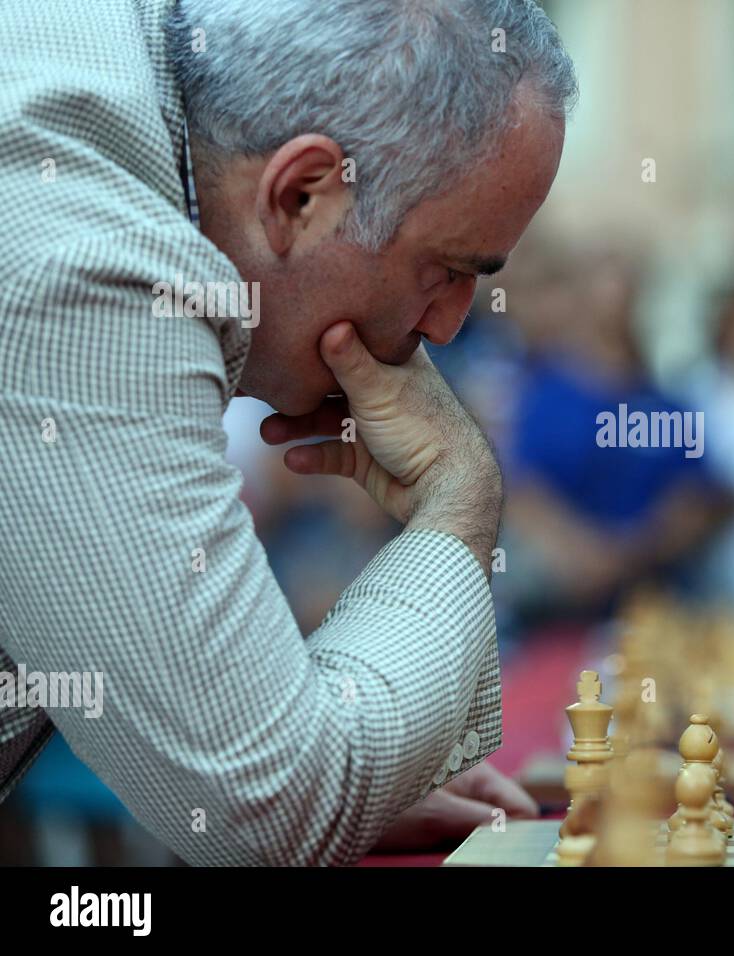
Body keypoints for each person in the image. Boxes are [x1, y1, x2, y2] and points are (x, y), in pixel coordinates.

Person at [0, 0, 575, 864]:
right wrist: (459, 501)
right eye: (449, 271)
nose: (452, 327)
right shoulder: (82, 255)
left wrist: (338, 781)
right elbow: (265, 815)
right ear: (301, 194)